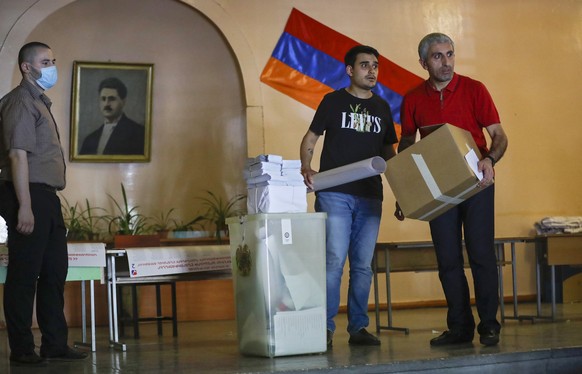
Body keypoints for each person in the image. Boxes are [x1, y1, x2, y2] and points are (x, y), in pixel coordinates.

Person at [396, 33, 508, 347]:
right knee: (447, 260)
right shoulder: (413, 98)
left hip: (478, 183)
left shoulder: (475, 89)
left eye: (450, 54)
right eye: (437, 56)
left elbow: (499, 135)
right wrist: (407, 193)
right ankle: (460, 328)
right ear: (423, 63)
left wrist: (489, 159)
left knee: (482, 255)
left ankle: (489, 325)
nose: (446, 62)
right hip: (439, 189)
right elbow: (407, 146)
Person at [300, 45, 398, 347]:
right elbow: (311, 137)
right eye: (365, 65)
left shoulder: (382, 107)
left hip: (370, 196)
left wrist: (404, 191)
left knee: (362, 265)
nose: (372, 71)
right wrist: (306, 165)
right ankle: (325, 329)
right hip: (334, 192)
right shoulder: (333, 101)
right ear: (350, 70)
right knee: (333, 261)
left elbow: (388, 154)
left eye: (376, 66)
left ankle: (358, 328)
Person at [0, 42, 88, 365]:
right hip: (28, 193)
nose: (51, 66)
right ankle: (22, 348)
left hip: (47, 196)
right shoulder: (21, 102)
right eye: (44, 61)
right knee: (25, 274)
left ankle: (54, 343)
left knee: (54, 271)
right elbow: (17, 155)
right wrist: (24, 206)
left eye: (53, 60)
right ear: (26, 67)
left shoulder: (40, 102)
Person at [79, 77, 145, 155]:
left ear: (123, 102)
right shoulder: (90, 139)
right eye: (103, 99)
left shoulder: (139, 134)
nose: (106, 104)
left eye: (112, 99)